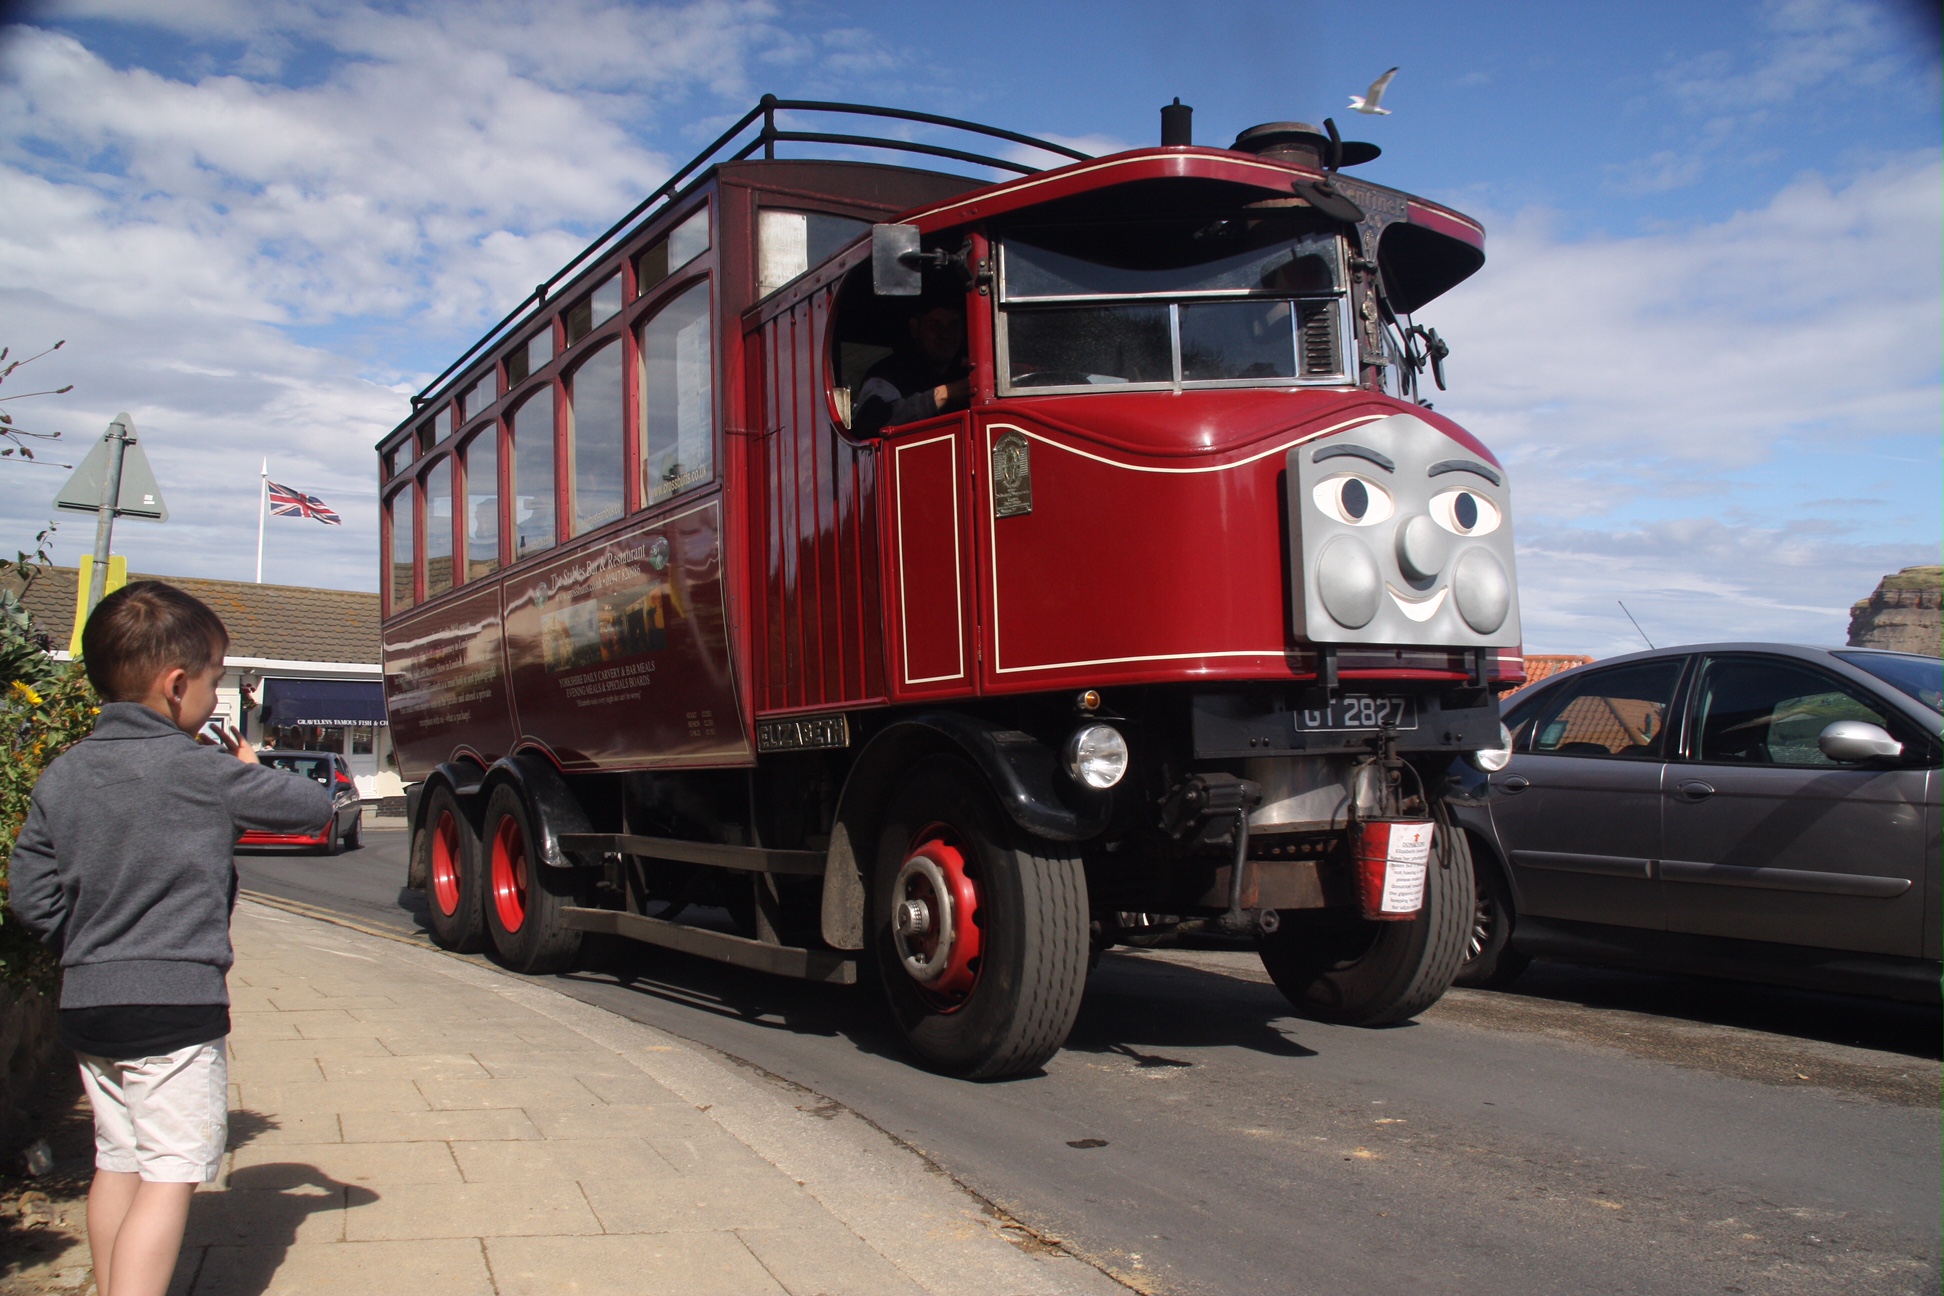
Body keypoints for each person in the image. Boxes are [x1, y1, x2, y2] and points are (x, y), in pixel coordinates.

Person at [9, 582, 331, 1296]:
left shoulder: (64, 776)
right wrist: (251, 770)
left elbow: (31, 895)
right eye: (216, 682)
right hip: (175, 1008)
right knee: (171, 1175)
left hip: (89, 1005)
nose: (216, 699)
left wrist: (90, 943)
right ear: (176, 684)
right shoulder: (204, 772)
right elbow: (313, 806)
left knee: (117, 1161)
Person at [850, 284, 971, 438]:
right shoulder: (888, 373)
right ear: (915, 328)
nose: (945, 334)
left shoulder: (964, 371)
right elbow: (872, 422)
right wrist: (946, 393)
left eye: (954, 325)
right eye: (935, 325)